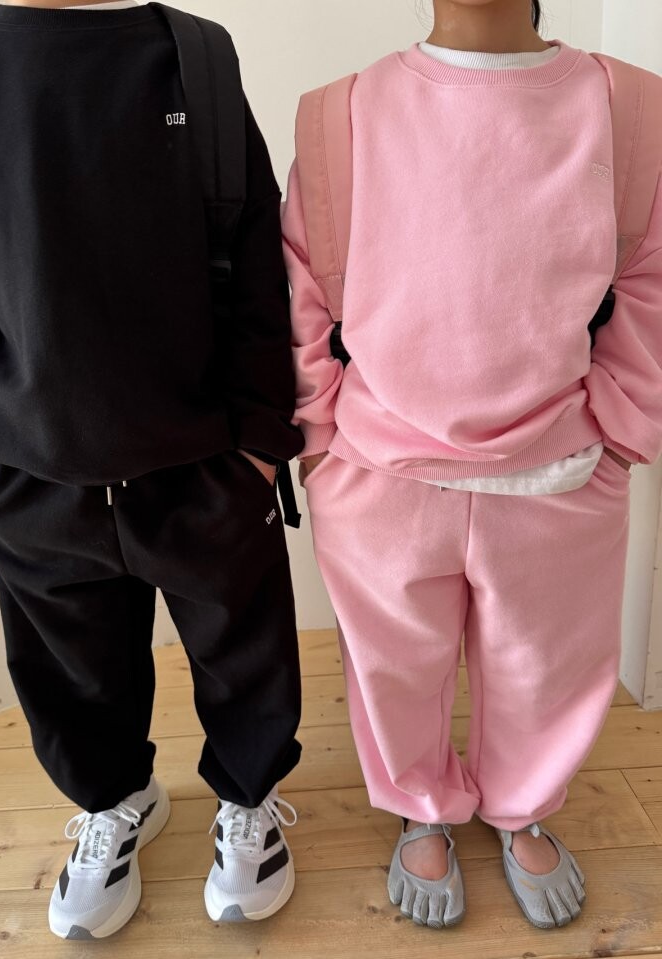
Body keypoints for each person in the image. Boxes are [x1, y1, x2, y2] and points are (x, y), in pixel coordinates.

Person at [283, 0, 662, 931]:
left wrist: (621, 429)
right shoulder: (341, 110)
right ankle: (421, 803)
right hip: (381, 467)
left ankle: (523, 802)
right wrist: (319, 437)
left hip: (561, 460)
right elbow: (304, 285)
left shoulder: (631, 107)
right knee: (393, 664)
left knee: (551, 663)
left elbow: (651, 278)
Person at [0, 0, 304, 940]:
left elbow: (255, 253)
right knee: (70, 673)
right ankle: (114, 802)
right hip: (29, 475)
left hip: (207, 465)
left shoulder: (196, 55)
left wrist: (260, 444)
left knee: (245, 651)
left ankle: (249, 800)